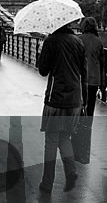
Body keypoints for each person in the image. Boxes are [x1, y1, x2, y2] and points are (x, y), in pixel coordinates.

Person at [36, 22, 85, 193]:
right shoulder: (78, 41)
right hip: (74, 98)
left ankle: (47, 183)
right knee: (64, 137)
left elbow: (43, 70)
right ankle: (70, 171)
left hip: (56, 98)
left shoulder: (51, 41)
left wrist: (40, 51)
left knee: (51, 141)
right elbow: (82, 71)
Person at [79, 17, 106, 116]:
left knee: (79, 103)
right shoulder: (98, 41)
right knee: (91, 104)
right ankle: (87, 126)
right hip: (94, 78)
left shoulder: (79, 39)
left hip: (80, 77)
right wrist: (103, 84)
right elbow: (103, 63)